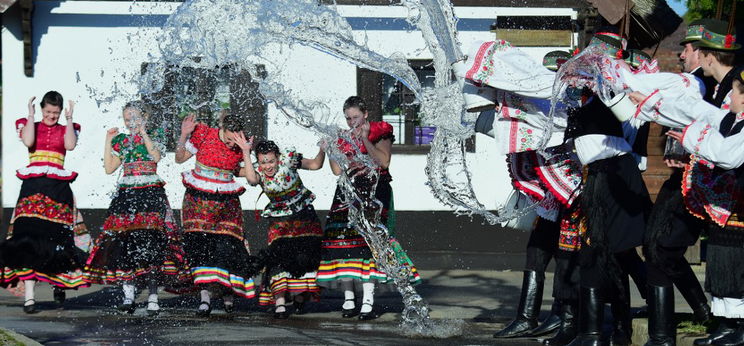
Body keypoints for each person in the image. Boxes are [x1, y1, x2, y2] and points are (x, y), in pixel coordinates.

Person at [640, 19, 720, 346]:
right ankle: (692, 320)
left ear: (702, 53)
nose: (681, 55)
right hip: (686, 176)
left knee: (660, 247)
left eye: (686, 49)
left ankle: (679, 328)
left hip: (710, 179)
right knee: (657, 247)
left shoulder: (717, 87)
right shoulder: (694, 82)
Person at [316, 96, 421, 320]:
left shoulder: (379, 131)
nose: (352, 122)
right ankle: (348, 299)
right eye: (348, 118)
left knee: (371, 244)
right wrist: (330, 149)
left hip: (374, 192)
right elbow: (337, 170)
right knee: (343, 244)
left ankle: (368, 301)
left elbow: (383, 162)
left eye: (355, 117)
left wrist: (364, 140)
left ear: (365, 115)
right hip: (348, 193)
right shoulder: (343, 137)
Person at [83, 101, 188, 316]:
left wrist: (143, 133)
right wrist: (107, 141)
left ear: (144, 118)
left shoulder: (156, 134)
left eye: (135, 118)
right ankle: (128, 296)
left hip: (150, 193)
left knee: (152, 245)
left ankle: (152, 297)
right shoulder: (123, 141)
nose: (130, 123)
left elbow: (156, 156)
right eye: (127, 119)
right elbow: (109, 168)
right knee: (127, 245)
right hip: (128, 195)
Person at [0, 91, 88, 313]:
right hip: (33, 186)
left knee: (57, 238)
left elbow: (70, 146)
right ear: (42, 109)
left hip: (57, 188)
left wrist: (68, 119)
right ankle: (29, 297)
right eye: (48, 112)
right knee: (28, 238)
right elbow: (28, 141)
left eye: (56, 113)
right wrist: (30, 116)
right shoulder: (30, 124)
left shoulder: (67, 127)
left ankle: (58, 283)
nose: (51, 116)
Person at [175, 113, 258, 316]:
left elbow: (251, 179)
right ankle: (204, 299)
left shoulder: (241, 144)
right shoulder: (204, 134)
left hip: (226, 204)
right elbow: (179, 158)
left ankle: (227, 293)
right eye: (229, 139)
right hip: (198, 201)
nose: (231, 144)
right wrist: (183, 135)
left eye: (235, 140)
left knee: (227, 247)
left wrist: (246, 151)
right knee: (201, 248)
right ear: (222, 129)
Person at [237, 138, 325, 319]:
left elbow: (316, 164)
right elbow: (251, 179)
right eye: (263, 162)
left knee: (304, 256)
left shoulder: (289, 160)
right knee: (276, 257)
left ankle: (300, 296)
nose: (267, 166)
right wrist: (245, 151)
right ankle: (280, 303)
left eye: (271, 161)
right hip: (279, 219)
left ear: (278, 157)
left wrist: (323, 148)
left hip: (303, 215)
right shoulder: (257, 171)